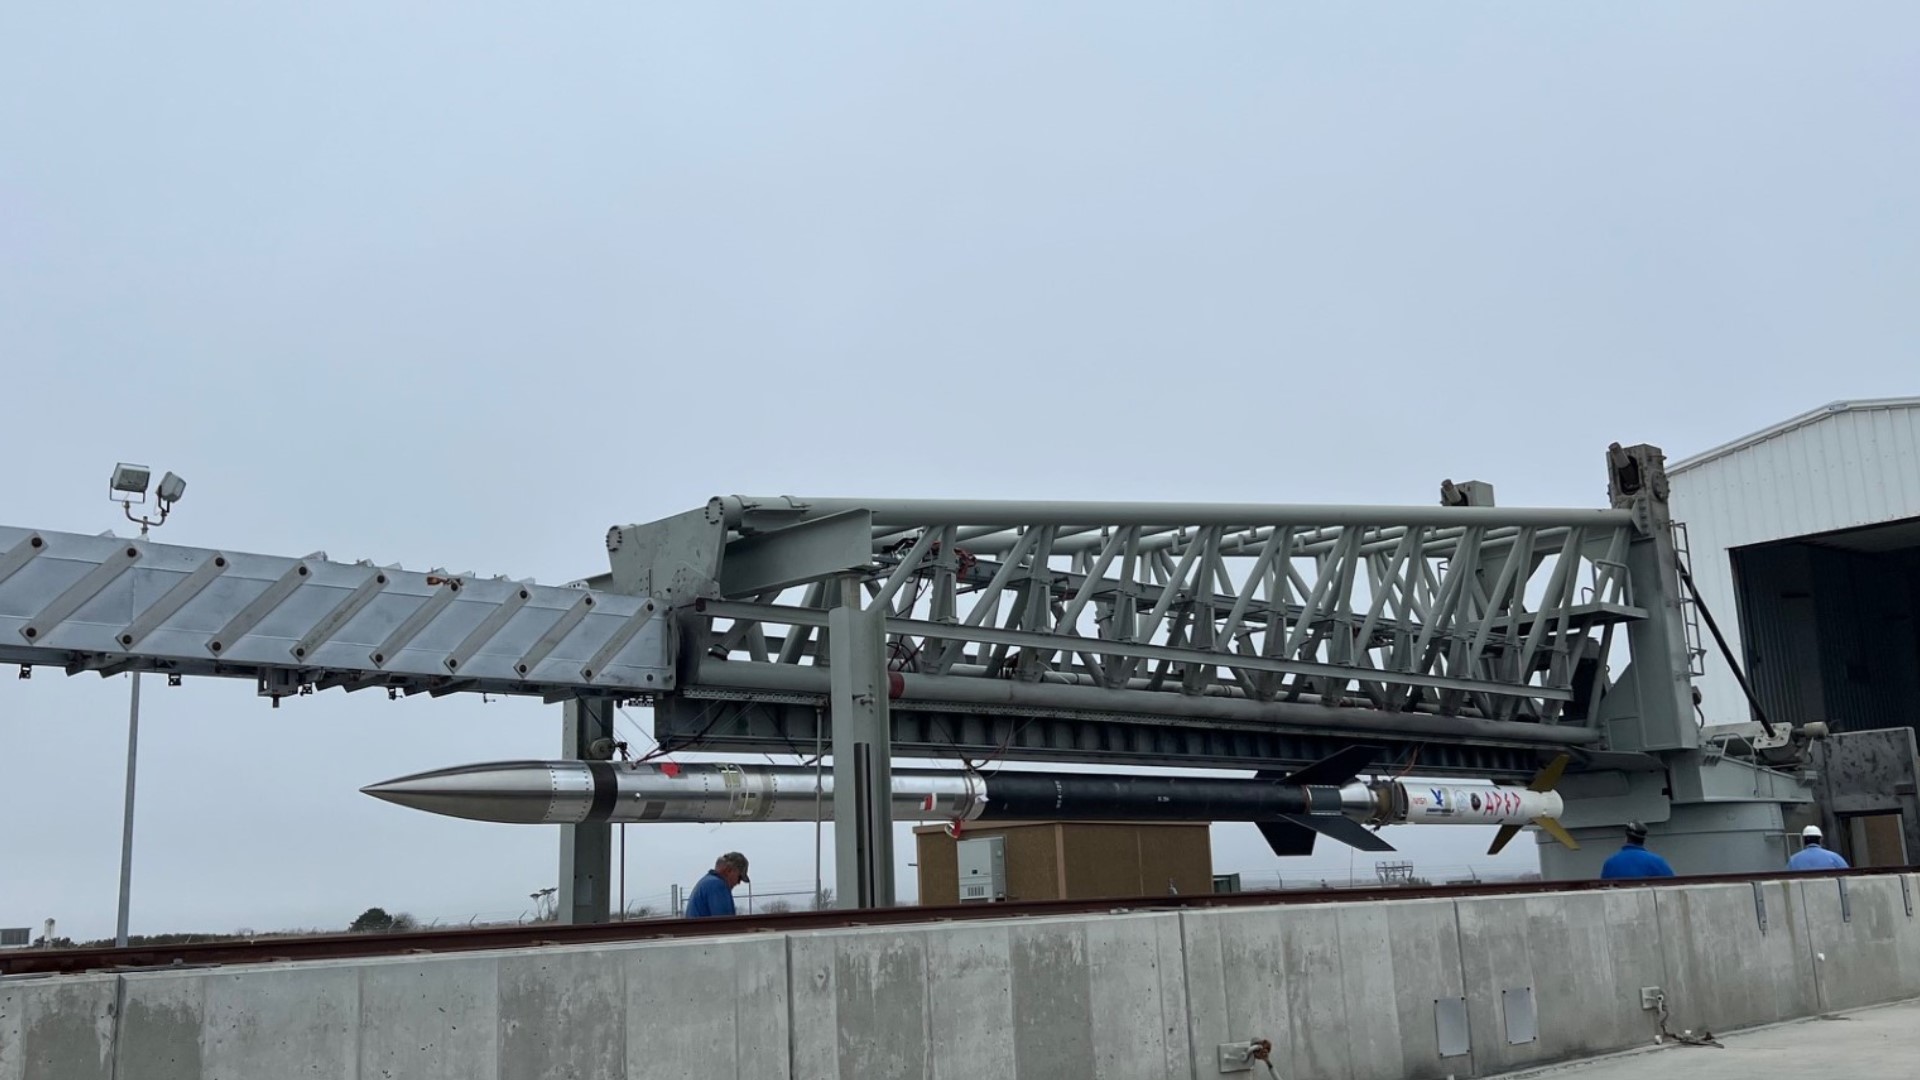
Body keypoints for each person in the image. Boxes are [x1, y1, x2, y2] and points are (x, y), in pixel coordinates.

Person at [1599, 821, 1676, 879]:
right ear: (1644, 839)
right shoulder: (1657, 861)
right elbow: (1673, 883)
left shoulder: (1610, 863)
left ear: (1626, 838)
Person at [685, 851, 751, 918]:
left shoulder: (707, 882)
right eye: (739, 878)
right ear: (729, 870)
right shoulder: (717, 886)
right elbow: (726, 924)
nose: (738, 883)